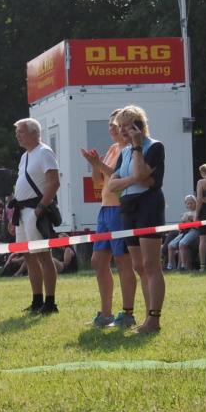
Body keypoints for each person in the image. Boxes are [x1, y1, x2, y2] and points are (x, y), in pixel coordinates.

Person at [105, 105, 166, 334]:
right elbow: (111, 185)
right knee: (138, 265)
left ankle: (154, 319)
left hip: (148, 206)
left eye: (125, 127)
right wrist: (134, 179)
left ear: (137, 127)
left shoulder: (154, 147)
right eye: (119, 127)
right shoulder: (125, 152)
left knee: (151, 265)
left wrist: (138, 146)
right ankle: (147, 316)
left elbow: (142, 174)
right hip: (128, 207)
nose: (121, 131)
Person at [80, 110, 137, 327]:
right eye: (110, 125)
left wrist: (99, 164)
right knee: (98, 261)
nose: (112, 129)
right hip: (105, 210)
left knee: (123, 261)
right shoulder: (113, 148)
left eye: (115, 125)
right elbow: (98, 180)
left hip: (119, 209)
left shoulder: (130, 150)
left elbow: (116, 176)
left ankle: (127, 313)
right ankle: (105, 314)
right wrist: (93, 163)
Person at [9, 118, 61, 315]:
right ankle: (37, 299)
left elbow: (53, 182)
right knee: (28, 257)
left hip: (35, 211)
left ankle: (50, 301)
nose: (17, 135)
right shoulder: (25, 156)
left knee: (43, 256)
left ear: (34, 133)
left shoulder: (44, 152)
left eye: (21, 132)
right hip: (23, 212)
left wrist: (40, 207)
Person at [165, 196, 199, 272]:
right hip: (185, 231)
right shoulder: (185, 214)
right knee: (170, 245)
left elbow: (198, 226)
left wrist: (191, 220)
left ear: (195, 203)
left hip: (195, 231)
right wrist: (183, 222)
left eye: (191, 203)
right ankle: (170, 266)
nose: (189, 205)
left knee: (182, 243)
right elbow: (180, 227)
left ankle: (183, 266)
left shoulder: (198, 212)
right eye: (188, 203)